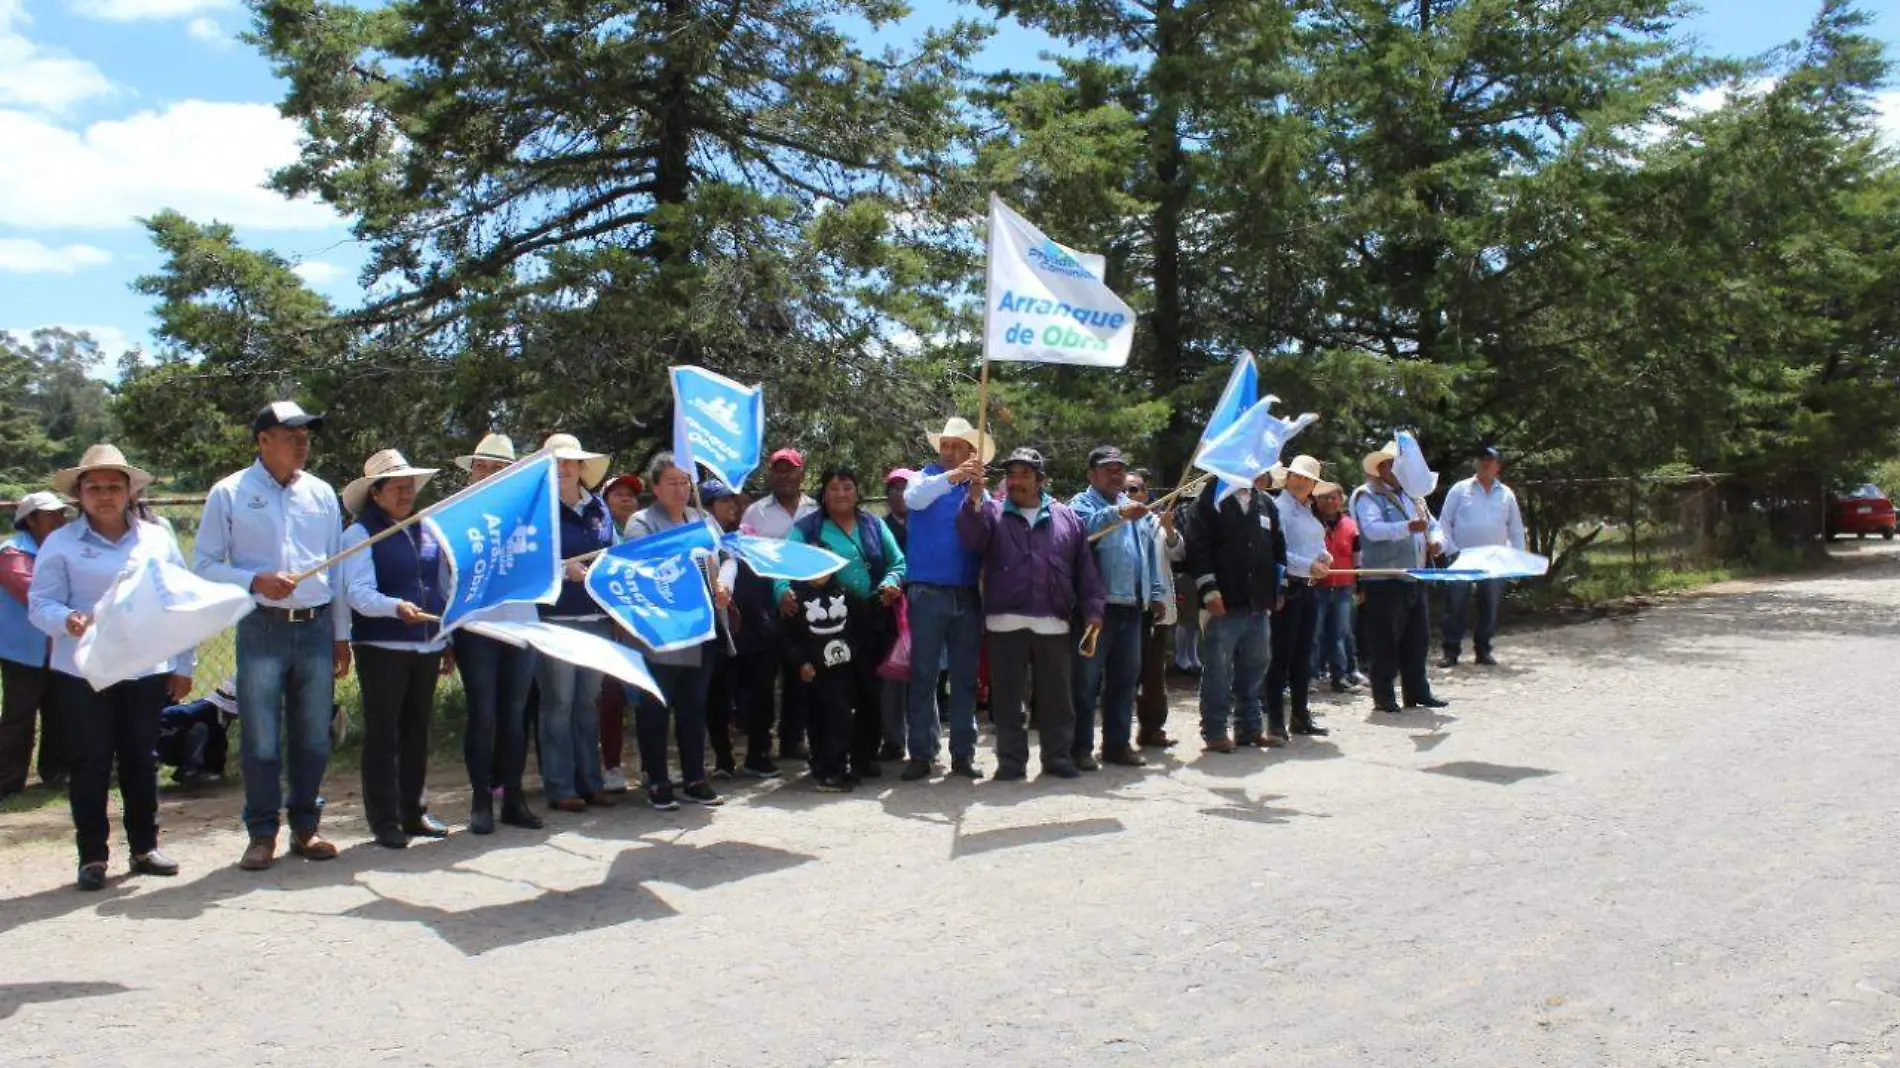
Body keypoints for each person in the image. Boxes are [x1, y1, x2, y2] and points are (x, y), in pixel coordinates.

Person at [29, 444, 193, 890]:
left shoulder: (157, 537)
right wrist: (67, 619)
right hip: (82, 671)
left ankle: (144, 848)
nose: (104, 495)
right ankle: (93, 857)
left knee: (142, 758)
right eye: (94, 487)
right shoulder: (61, 543)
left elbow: (178, 601)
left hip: (144, 666)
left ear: (129, 491)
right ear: (79, 494)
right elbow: (40, 603)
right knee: (90, 762)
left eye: (113, 486)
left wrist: (183, 662)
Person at [196, 401, 348, 871]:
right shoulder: (229, 493)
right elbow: (204, 565)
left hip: (317, 626)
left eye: (306, 434)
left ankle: (307, 827)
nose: (302, 442)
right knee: (261, 737)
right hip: (262, 626)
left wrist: (341, 635)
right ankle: (261, 833)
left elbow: (338, 568)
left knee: (313, 737)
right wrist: (255, 580)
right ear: (263, 440)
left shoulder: (322, 493)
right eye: (290, 434)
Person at [957, 448, 1104, 781]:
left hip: (1053, 620)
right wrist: (974, 499)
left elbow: (1085, 570)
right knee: (1007, 698)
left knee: (1057, 698)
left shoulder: (1067, 517)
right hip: (1004, 621)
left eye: (1025, 474)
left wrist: (1094, 609)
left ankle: (1057, 757)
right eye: (1011, 475)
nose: (1016, 481)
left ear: (1041, 480)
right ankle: (1011, 760)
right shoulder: (991, 512)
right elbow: (971, 538)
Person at [339, 449, 454, 848]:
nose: (407, 493)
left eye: (411, 486)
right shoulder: (358, 534)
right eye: (398, 487)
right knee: (384, 733)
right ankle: (384, 819)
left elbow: (442, 585)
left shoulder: (429, 529)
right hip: (382, 645)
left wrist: (447, 635)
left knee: (416, 731)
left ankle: (414, 811)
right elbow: (357, 592)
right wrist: (394, 607)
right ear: (376, 492)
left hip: (426, 644)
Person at [776, 467, 906, 784]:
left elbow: (898, 562)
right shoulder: (807, 528)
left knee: (868, 690)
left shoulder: (873, 524)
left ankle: (863, 756)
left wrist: (891, 582)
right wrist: (782, 591)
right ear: (823, 494)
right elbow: (782, 563)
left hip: (871, 617)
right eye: (834, 488)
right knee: (828, 694)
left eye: (848, 487)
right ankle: (825, 759)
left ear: (857, 491)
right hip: (825, 625)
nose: (841, 494)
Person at [624, 453, 731, 811]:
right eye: (672, 482)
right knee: (656, 706)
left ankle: (695, 778)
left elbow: (729, 556)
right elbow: (643, 565)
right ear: (655, 487)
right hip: (663, 631)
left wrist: (724, 583)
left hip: (704, 628)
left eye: (686, 482)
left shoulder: (704, 519)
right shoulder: (641, 522)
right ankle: (657, 779)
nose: (681, 489)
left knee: (694, 705)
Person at [449, 433, 543, 834]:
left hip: (520, 620)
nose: (486, 473)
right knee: (483, 712)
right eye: (480, 466)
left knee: (515, 715)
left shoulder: (530, 512)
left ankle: (514, 796)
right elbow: (446, 573)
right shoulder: (456, 510)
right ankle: (480, 799)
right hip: (476, 624)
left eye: (497, 468)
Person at [900, 417, 993, 782]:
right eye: (945, 446)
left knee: (965, 678)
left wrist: (975, 493)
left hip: (966, 592)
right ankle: (922, 752)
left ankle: (963, 754)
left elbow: (988, 530)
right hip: (927, 591)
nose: (949, 452)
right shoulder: (921, 478)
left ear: (971, 452)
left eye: (957, 447)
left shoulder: (978, 489)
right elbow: (913, 499)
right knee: (923, 675)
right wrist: (952, 478)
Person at [1068, 446, 1166, 769]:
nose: (1115, 474)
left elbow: (1147, 550)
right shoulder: (1079, 504)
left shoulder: (1132, 506)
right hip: (1095, 610)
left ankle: (1116, 745)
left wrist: (1155, 592)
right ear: (1091, 474)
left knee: (1125, 680)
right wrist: (1118, 515)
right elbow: (1081, 533)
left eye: (1120, 468)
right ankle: (1079, 747)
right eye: (1108, 468)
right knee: (1085, 682)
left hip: (1132, 607)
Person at [537, 433, 619, 813]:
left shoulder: (599, 507)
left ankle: (591, 781)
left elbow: (614, 555)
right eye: (556, 462)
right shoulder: (537, 510)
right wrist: (562, 569)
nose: (564, 468)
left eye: (570, 461)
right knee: (558, 703)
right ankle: (560, 785)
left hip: (597, 617)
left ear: (581, 467)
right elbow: (529, 563)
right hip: (555, 619)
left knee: (587, 703)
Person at [1185, 470, 1286, 752]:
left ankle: (1250, 728)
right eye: (1260, 467)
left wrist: (1280, 587)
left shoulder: (1266, 503)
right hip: (1224, 603)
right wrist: (1209, 590)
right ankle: (1215, 730)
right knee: (1218, 669)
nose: (1266, 474)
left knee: (1255, 666)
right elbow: (1197, 548)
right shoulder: (1209, 500)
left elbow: (1279, 547)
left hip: (1258, 602)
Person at [1351, 442, 1451, 714]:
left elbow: (1434, 525)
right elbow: (1372, 530)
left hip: (1414, 577)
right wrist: (1407, 527)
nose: (1395, 470)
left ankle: (1417, 692)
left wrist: (1437, 542)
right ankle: (1384, 696)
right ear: (1380, 468)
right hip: (1383, 578)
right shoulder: (1366, 496)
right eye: (1391, 465)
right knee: (1384, 640)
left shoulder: (1415, 496)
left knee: (1417, 639)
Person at [740, 447, 818, 763]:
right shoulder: (755, 513)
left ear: (802, 473)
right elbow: (745, 558)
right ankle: (759, 746)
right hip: (764, 601)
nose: (784, 475)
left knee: (800, 673)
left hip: (806, 599)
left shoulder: (815, 508)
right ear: (770, 474)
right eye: (778, 470)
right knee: (764, 677)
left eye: (790, 469)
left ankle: (792, 739)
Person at [1, 492, 69, 797]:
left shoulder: (59, 550)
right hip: (22, 650)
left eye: (61, 514)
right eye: (51, 515)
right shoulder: (12, 553)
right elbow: (32, 594)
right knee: (19, 715)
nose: (60, 520)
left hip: (56, 647)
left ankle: (55, 772)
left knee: (59, 711)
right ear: (30, 520)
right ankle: (9, 781)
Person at [1265, 455, 1334, 742]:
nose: (1301, 481)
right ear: (1288, 477)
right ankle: (1276, 720)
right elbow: (1277, 552)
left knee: (1303, 654)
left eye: (1307, 478)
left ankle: (1300, 714)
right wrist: (1309, 565)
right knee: (1281, 655)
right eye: (1297, 476)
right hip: (1287, 586)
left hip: (1307, 586)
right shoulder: (1278, 507)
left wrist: (1324, 557)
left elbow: (1315, 544)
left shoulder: (1307, 511)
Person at [1437, 446, 1525, 667]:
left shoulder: (1507, 494)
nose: (1486, 464)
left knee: (1490, 605)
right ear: (1476, 464)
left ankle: (1483, 650)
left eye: (1490, 461)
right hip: (1461, 556)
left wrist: (1517, 558)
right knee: (1455, 605)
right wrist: (1451, 550)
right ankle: (1451, 651)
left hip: (1494, 558)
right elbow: (1444, 522)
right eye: (1482, 460)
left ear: (1498, 466)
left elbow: (1515, 529)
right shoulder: (1460, 489)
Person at [596, 471, 646, 793]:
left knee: (646, 696)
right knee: (611, 699)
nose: (626, 498)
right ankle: (612, 767)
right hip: (610, 626)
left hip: (643, 625)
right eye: (618, 494)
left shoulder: (646, 530)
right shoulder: (600, 534)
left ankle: (648, 765)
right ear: (606, 501)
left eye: (631, 493)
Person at [699, 479, 748, 778]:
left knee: (723, 693)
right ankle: (718, 758)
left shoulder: (732, 535)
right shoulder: (701, 534)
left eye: (733, 500)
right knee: (710, 696)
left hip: (730, 627)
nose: (732, 506)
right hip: (706, 626)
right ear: (706, 506)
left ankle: (725, 758)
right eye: (722, 501)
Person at [1310, 482, 1364, 692]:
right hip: (1316, 586)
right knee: (1314, 633)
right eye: (1324, 497)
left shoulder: (1351, 525)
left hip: (1344, 586)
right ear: (1316, 500)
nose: (1330, 501)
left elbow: (1358, 558)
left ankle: (1340, 676)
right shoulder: (1310, 522)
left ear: (1341, 499)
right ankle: (1311, 676)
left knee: (1340, 633)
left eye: (1334, 497)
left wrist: (1360, 586)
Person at [877, 467, 915, 760]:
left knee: (925, 677)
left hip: (924, 607)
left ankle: (923, 740)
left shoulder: (928, 522)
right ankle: (893, 739)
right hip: (891, 612)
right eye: (894, 489)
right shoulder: (879, 528)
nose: (899, 495)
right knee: (891, 676)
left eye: (905, 488)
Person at [157, 680, 237, 786]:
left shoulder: (220, 718)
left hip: (176, 746)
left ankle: (203, 772)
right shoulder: (200, 710)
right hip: (163, 746)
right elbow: (163, 716)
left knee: (212, 734)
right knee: (200, 729)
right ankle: (189, 771)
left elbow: (219, 743)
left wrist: (217, 771)